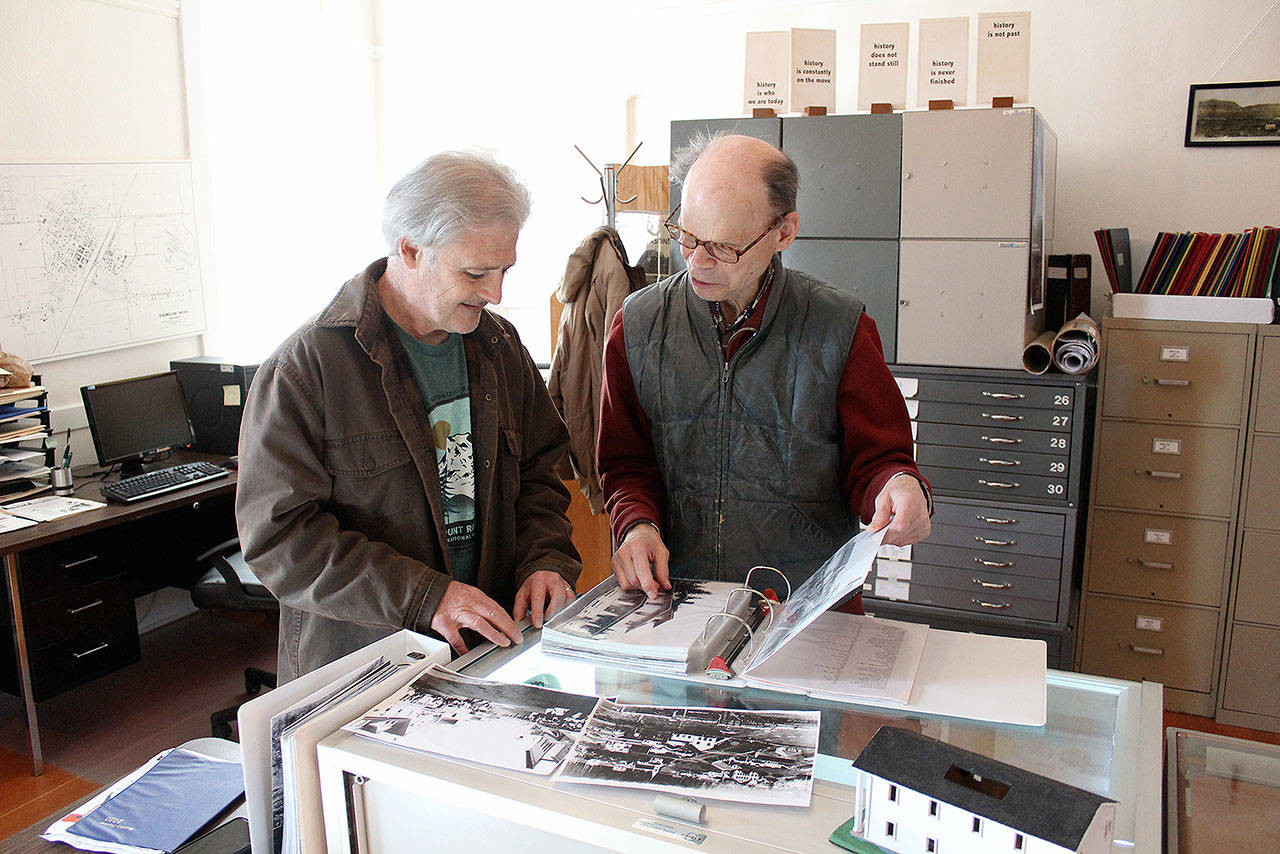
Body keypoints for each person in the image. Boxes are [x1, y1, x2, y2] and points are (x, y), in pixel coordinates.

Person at [236, 152, 580, 680]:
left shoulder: (498, 346)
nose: (496, 294)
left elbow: (539, 473)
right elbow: (281, 540)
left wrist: (545, 560)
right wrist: (427, 597)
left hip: (487, 650)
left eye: (504, 270)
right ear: (412, 250)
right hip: (363, 666)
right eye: (476, 272)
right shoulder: (306, 369)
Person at [598, 133, 931, 602]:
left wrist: (898, 485)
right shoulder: (638, 325)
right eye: (687, 236)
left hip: (801, 605)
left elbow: (879, 461)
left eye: (724, 246)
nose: (697, 261)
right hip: (677, 603)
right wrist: (636, 525)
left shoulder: (840, 327)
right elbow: (625, 463)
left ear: (784, 232)